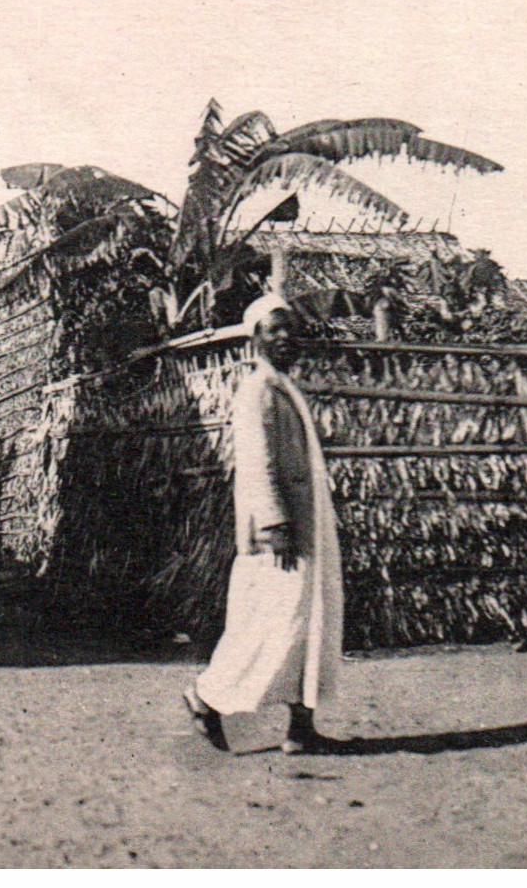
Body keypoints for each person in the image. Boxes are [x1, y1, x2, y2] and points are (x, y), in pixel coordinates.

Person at [183, 295, 343, 756]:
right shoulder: (257, 390)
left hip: (306, 525)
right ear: (256, 338)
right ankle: (205, 698)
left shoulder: (282, 386)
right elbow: (257, 464)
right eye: (275, 329)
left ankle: (301, 725)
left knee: (309, 620)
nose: (285, 337)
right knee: (272, 623)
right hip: (281, 533)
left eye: (291, 328)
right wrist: (274, 523)